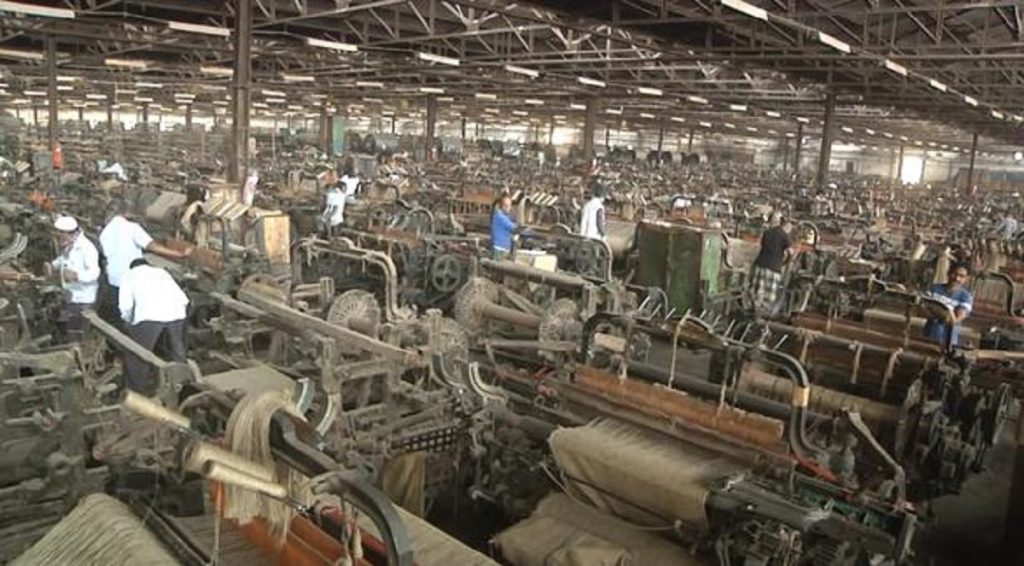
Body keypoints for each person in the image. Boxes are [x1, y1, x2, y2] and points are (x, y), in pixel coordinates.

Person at [98, 201, 190, 323]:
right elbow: (152, 246)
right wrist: (180, 254)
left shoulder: (104, 232)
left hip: (113, 280)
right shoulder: (131, 228)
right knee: (136, 315)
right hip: (132, 280)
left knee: (119, 316)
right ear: (125, 213)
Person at [119, 258, 190, 394]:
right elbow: (183, 298)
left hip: (149, 316)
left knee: (138, 354)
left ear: (132, 267)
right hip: (177, 312)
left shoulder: (129, 275)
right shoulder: (162, 272)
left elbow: (125, 306)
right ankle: (183, 384)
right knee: (178, 351)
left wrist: (128, 322)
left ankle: (135, 392)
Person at [47, 215, 101, 343]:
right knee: (70, 329)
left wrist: (77, 276)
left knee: (78, 334)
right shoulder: (71, 244)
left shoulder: (87, 248)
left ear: (69, 233)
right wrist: (53, 265)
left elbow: (95, 273)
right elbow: (64, 259)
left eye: (61, 236)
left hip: (83, 300)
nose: (59, 239)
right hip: (71, 296)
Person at [750, 218, 794, 317]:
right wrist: (787, 262)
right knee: (768, 296)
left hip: (760, 265)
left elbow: (763, 245)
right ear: (788, 227)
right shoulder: (784, 235)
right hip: (773, 268)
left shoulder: (768, 232)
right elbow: (791, 252)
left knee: (758, 292)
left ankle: (755, 312)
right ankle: (764, 315)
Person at [923, 262, 973, 349]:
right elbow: (923, 309)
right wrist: (945, 313)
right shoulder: (934, 289)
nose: (957, 278)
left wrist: (938, 312)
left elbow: (957, 318)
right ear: (948, 273)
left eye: (961, 276)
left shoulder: (966, 297)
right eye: (955, 274)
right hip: (929, 334)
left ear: (966, 279)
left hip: (948, 340)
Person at [490, 193, 517, 260]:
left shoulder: (505, 216)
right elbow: (513, 227)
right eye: (506, 206)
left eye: (509, 206)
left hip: (503, 247)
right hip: (499, 249)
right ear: (501, 206)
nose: (508, 208)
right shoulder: (500, 216)